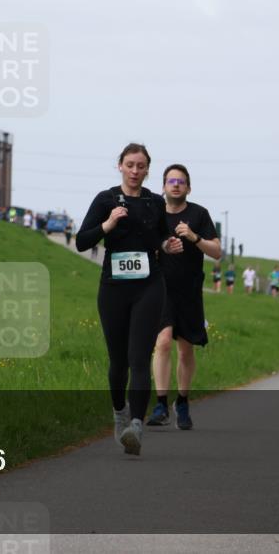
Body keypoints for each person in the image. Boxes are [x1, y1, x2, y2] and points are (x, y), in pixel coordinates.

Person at [74, 143, 181, 455]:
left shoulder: (154, 202)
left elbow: (161, 236)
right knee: (118, 360)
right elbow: (82, 241)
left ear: (148, 170)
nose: (135, 171)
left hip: (149, 284)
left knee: (139, 357)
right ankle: (119, 412)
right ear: (119, 166)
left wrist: (169, 245)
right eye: (130, 165)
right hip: (114, 287)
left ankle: (136, 424)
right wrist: (108, 224)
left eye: (141, 166)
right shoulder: (105, 199)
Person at [148, 164, 221, 429]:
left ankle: (182, 400)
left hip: (189, 290)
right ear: (164, 186)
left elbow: (216, 252)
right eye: (171, 180)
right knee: (164, 342)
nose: (176, 184)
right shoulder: (155, 214)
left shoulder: (199, 214)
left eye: (181, 181)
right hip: (160, 288)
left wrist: (193, 237)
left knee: (185, 349)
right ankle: (160, 404)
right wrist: (163, 246)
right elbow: (146, 245)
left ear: (188, 187)